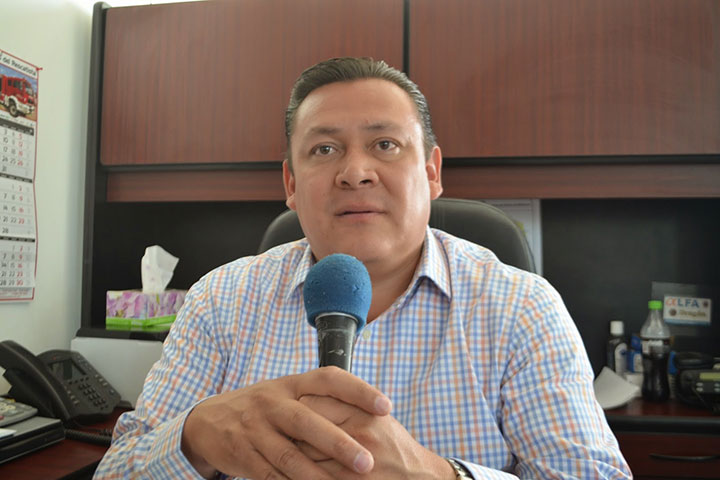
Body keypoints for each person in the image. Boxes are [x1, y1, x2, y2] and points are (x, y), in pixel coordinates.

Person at [94, 57, 631, 479]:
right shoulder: (220, 300)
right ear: (290, 184)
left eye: (385, 145)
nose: (355, 172)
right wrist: (194, 437)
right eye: (324, 149)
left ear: (432, 172)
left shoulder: (522, 308)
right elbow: (116, 470)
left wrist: (436, 475)